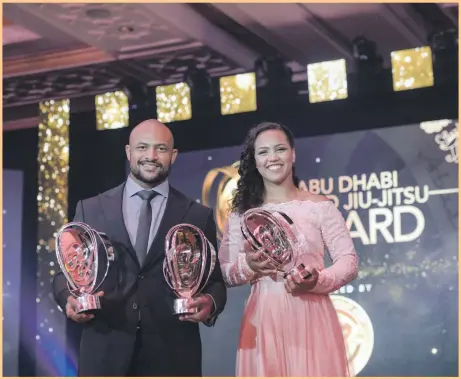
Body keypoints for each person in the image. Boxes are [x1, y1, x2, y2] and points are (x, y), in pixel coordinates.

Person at [52, 119, 227, 377]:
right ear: (129, 152)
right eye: (142, 147)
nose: (151, 156)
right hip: (105, 353)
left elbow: (214, 281)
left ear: (174, 155)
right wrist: (69, 299)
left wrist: (209, 303)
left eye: (161, 149)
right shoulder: (91, 208)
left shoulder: (197, 215)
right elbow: (65, 274)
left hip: (173, 356)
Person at [219, 122, 358, 377]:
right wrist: (249, 265)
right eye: (263, 152)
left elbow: (348, 262)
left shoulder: (319, 206)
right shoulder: (242, 215)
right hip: (262, 319)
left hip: (311, 315)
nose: (272, 157)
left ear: (292, 154)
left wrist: (317, 279)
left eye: (280, 149)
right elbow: (225, 272)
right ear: (255, 160)